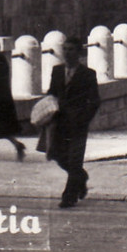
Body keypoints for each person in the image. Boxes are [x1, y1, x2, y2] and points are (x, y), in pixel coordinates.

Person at [45, 36, 100, 208]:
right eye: (65, 49)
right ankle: (81, 177)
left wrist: (84, 118)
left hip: (78, 123)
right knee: (57, 156)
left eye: (71, 50)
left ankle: (69, 196)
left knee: (75, 159)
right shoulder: (57, 71)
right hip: (59, 123)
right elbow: (52, 93)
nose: (67, 53)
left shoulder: (88, 74)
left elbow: (95, 100)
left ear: (79, 52)